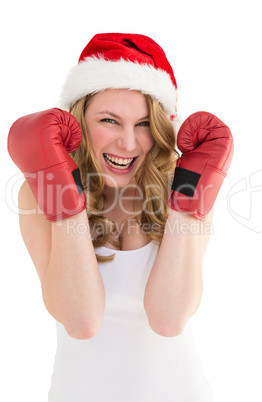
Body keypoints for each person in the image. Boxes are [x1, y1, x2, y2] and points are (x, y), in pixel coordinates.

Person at [7, 33, 233, 401]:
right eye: (110, 120)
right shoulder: (35, 194)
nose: (128, 143)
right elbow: (81, 320)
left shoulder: (185, 181)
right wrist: (61, 192)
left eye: (143, 124)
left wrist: (187, 199)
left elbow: (169, 318)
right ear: (78, 122)